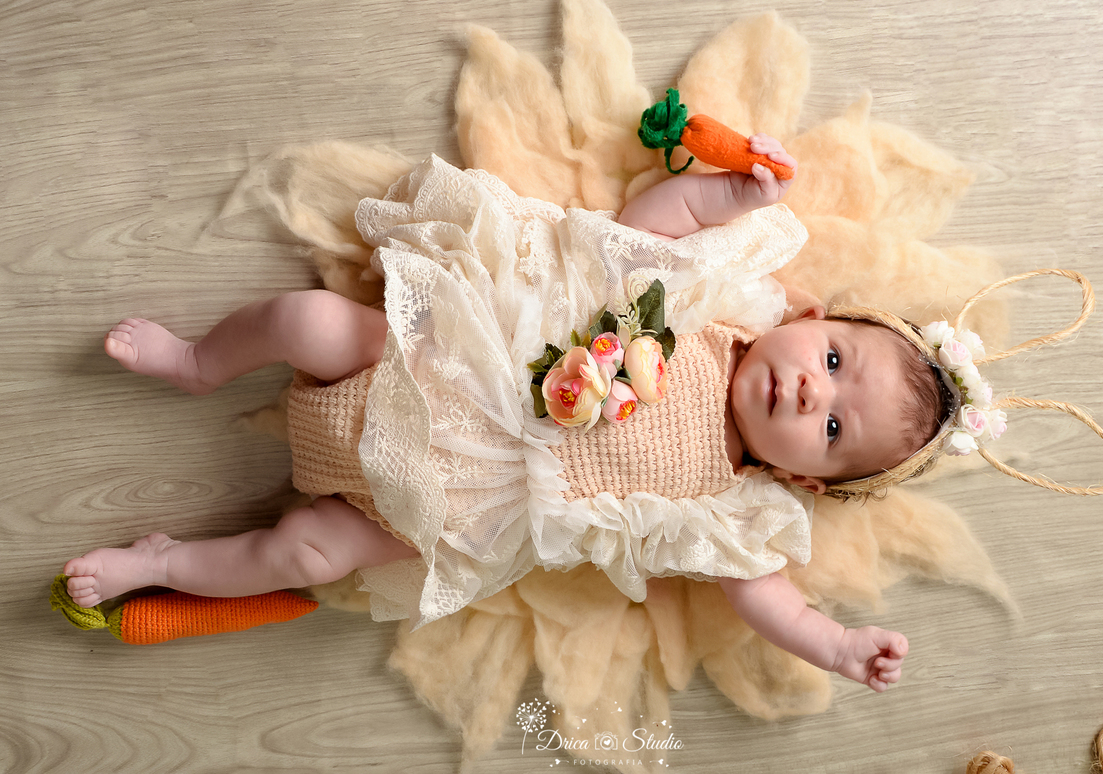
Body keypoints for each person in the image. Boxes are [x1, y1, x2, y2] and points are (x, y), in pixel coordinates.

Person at [64, 134, 940, 693]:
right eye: (832, 361)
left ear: (800, 477)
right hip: (437, 365)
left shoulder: (734, 511)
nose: (813, 392)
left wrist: (833, 647)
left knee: (304, 553)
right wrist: (732, 196)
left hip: (448, 506)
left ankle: (164, 564)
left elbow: (772, 603)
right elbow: (648, 221)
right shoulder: (714, 303)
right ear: (813, 317)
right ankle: (195, 362)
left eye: (831, 430)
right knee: (308, 322)